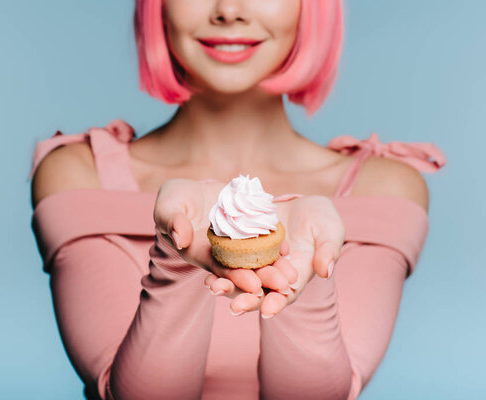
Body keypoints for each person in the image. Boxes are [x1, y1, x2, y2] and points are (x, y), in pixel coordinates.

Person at [28, 1, 446, 399]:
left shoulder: (384, 187)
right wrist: (178, 258)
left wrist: (304, 274)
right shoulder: (79, 176)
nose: (229, 10)